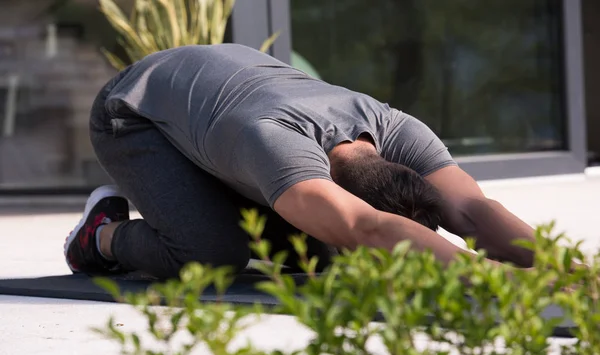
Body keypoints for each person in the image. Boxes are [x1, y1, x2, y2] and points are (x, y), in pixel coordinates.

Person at [64, 44, 535, 279]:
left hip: (221, 98)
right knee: (212, 256)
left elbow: (473, 210)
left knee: (321, 256)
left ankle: (210, 205)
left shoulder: (397, 128)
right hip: (135, 110)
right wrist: (496, 282)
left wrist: (567, 271)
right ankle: (100, 235)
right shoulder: (274, 143)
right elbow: (369, 228)